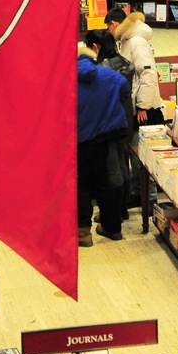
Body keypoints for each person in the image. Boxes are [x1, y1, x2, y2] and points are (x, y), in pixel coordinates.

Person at [77, 45, 130, 245]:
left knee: (81, 186)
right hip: (106, 138)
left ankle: (83, 233)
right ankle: (111, 227)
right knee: (106, 183)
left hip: (79, 140)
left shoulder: (66, 78)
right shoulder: (108, 75)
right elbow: (125, 91)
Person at [84, 29, 135, 220]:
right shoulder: (125, 64)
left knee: (111, 168)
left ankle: (112, 213)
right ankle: (123, 208)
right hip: (125, 120)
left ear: (95, 47)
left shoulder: (101, 72)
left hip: (108, 124)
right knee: (123, 164)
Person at [115, 11, 164, 208]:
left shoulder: (136, 42)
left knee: (142, 154)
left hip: (142, 109)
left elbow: (148, 74)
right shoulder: (128, 41)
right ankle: (138, 193)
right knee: (136, 152)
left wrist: (142, 106)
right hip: (134, 106)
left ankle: (149, 197)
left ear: (115, 24)